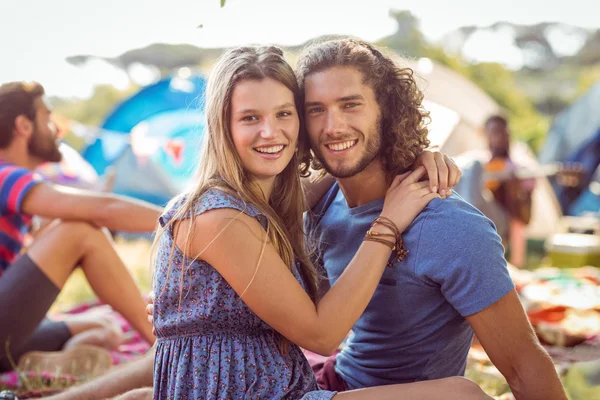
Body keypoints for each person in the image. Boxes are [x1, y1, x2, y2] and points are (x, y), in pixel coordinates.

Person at [43, 43, 464, 399]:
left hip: (263, 384)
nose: (271, 132)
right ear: (222, 127)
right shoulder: (221, 217)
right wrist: (388, 224)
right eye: (250, 118)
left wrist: (415, 159)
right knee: (463, 394)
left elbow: (349, 165)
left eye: (284, 114)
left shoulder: (266, 198)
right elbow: (322, 336)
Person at [0, 81, 160, 371]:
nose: (58, 130)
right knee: (80, 230)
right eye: (47, 118)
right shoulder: (4, 176)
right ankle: (165, 346)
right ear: (24, 126)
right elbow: (103, 209)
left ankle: (42, 364)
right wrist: (183, 217)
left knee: (104, 326)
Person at [482, 115, 536, 267]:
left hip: (510, 231)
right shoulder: (477, 166)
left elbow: (526, 217)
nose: (501, 138)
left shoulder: (521, 168)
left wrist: (515, 193)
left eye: (504, 132)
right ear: (486, 135)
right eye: (495, 132)